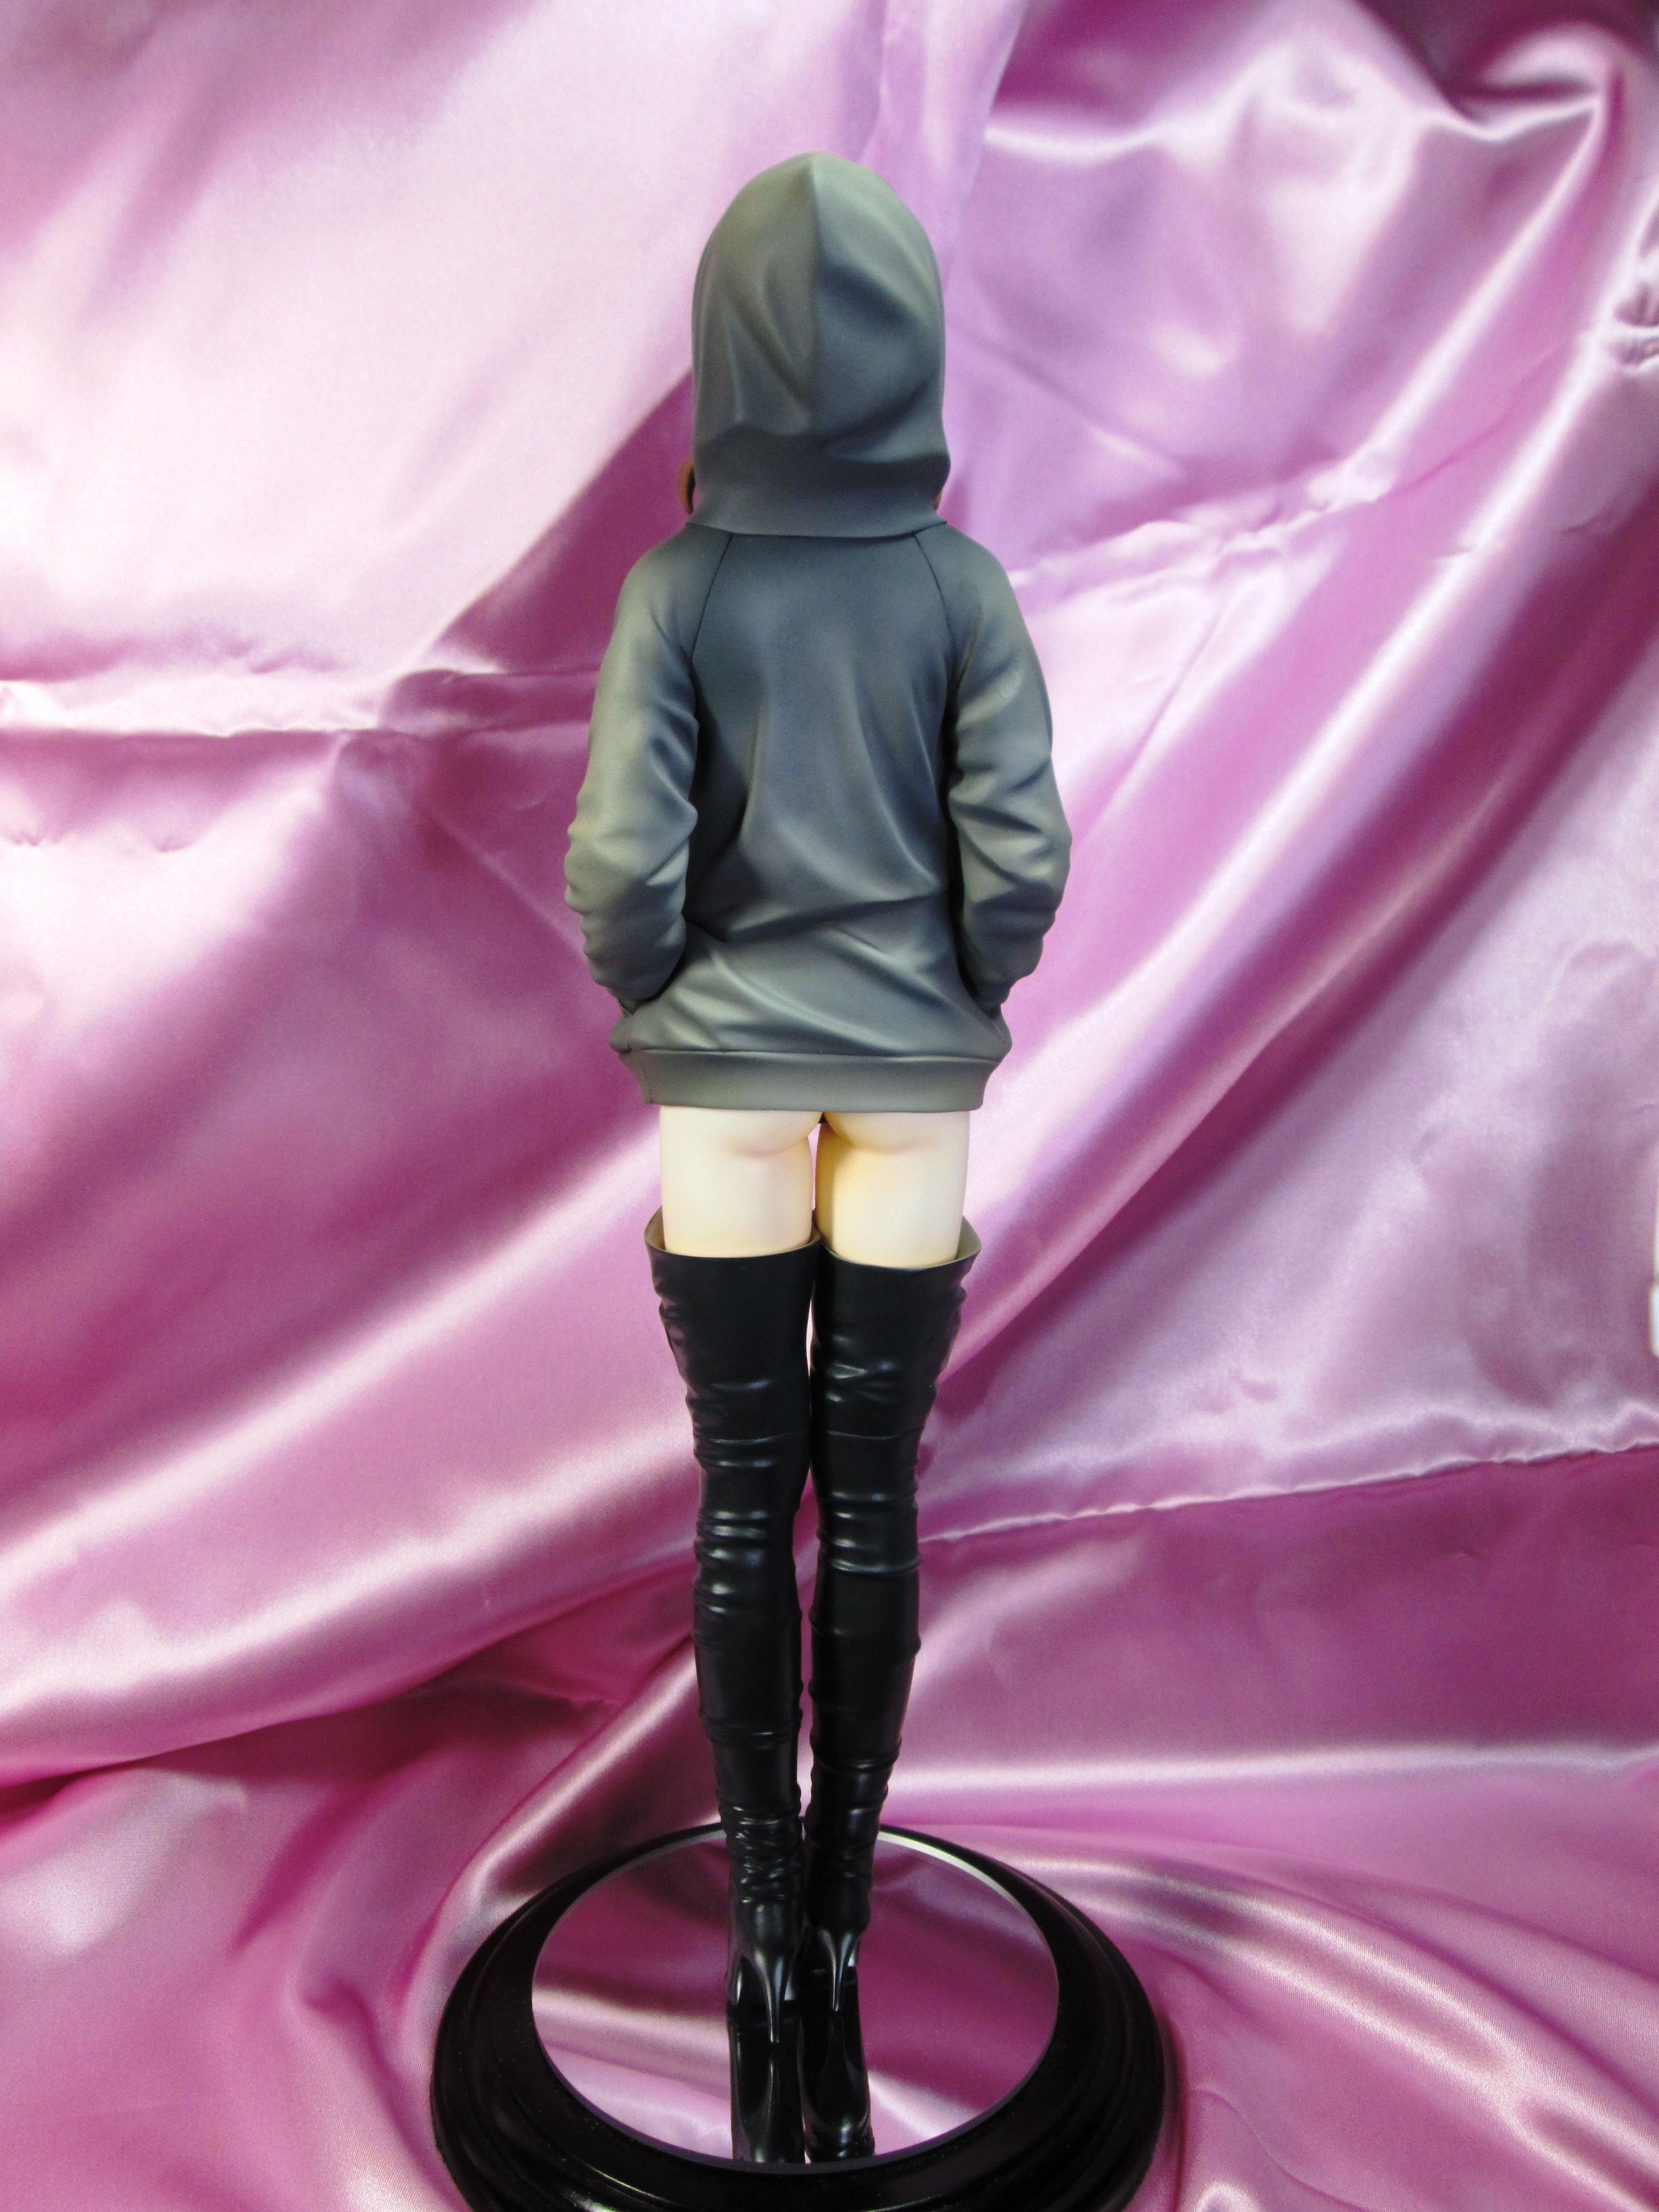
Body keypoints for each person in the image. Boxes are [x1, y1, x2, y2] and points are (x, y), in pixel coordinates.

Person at [565, 152, 1069, 2165]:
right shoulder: (958, 587)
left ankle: (766, 1929)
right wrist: (953, 992)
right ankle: (849, 1908)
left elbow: (623, 862)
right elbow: (1019, 852)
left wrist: (670, 994)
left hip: (727, 1082)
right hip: (914, 1079)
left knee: (736, 1490)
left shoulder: (679, 588)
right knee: (872, 1492)